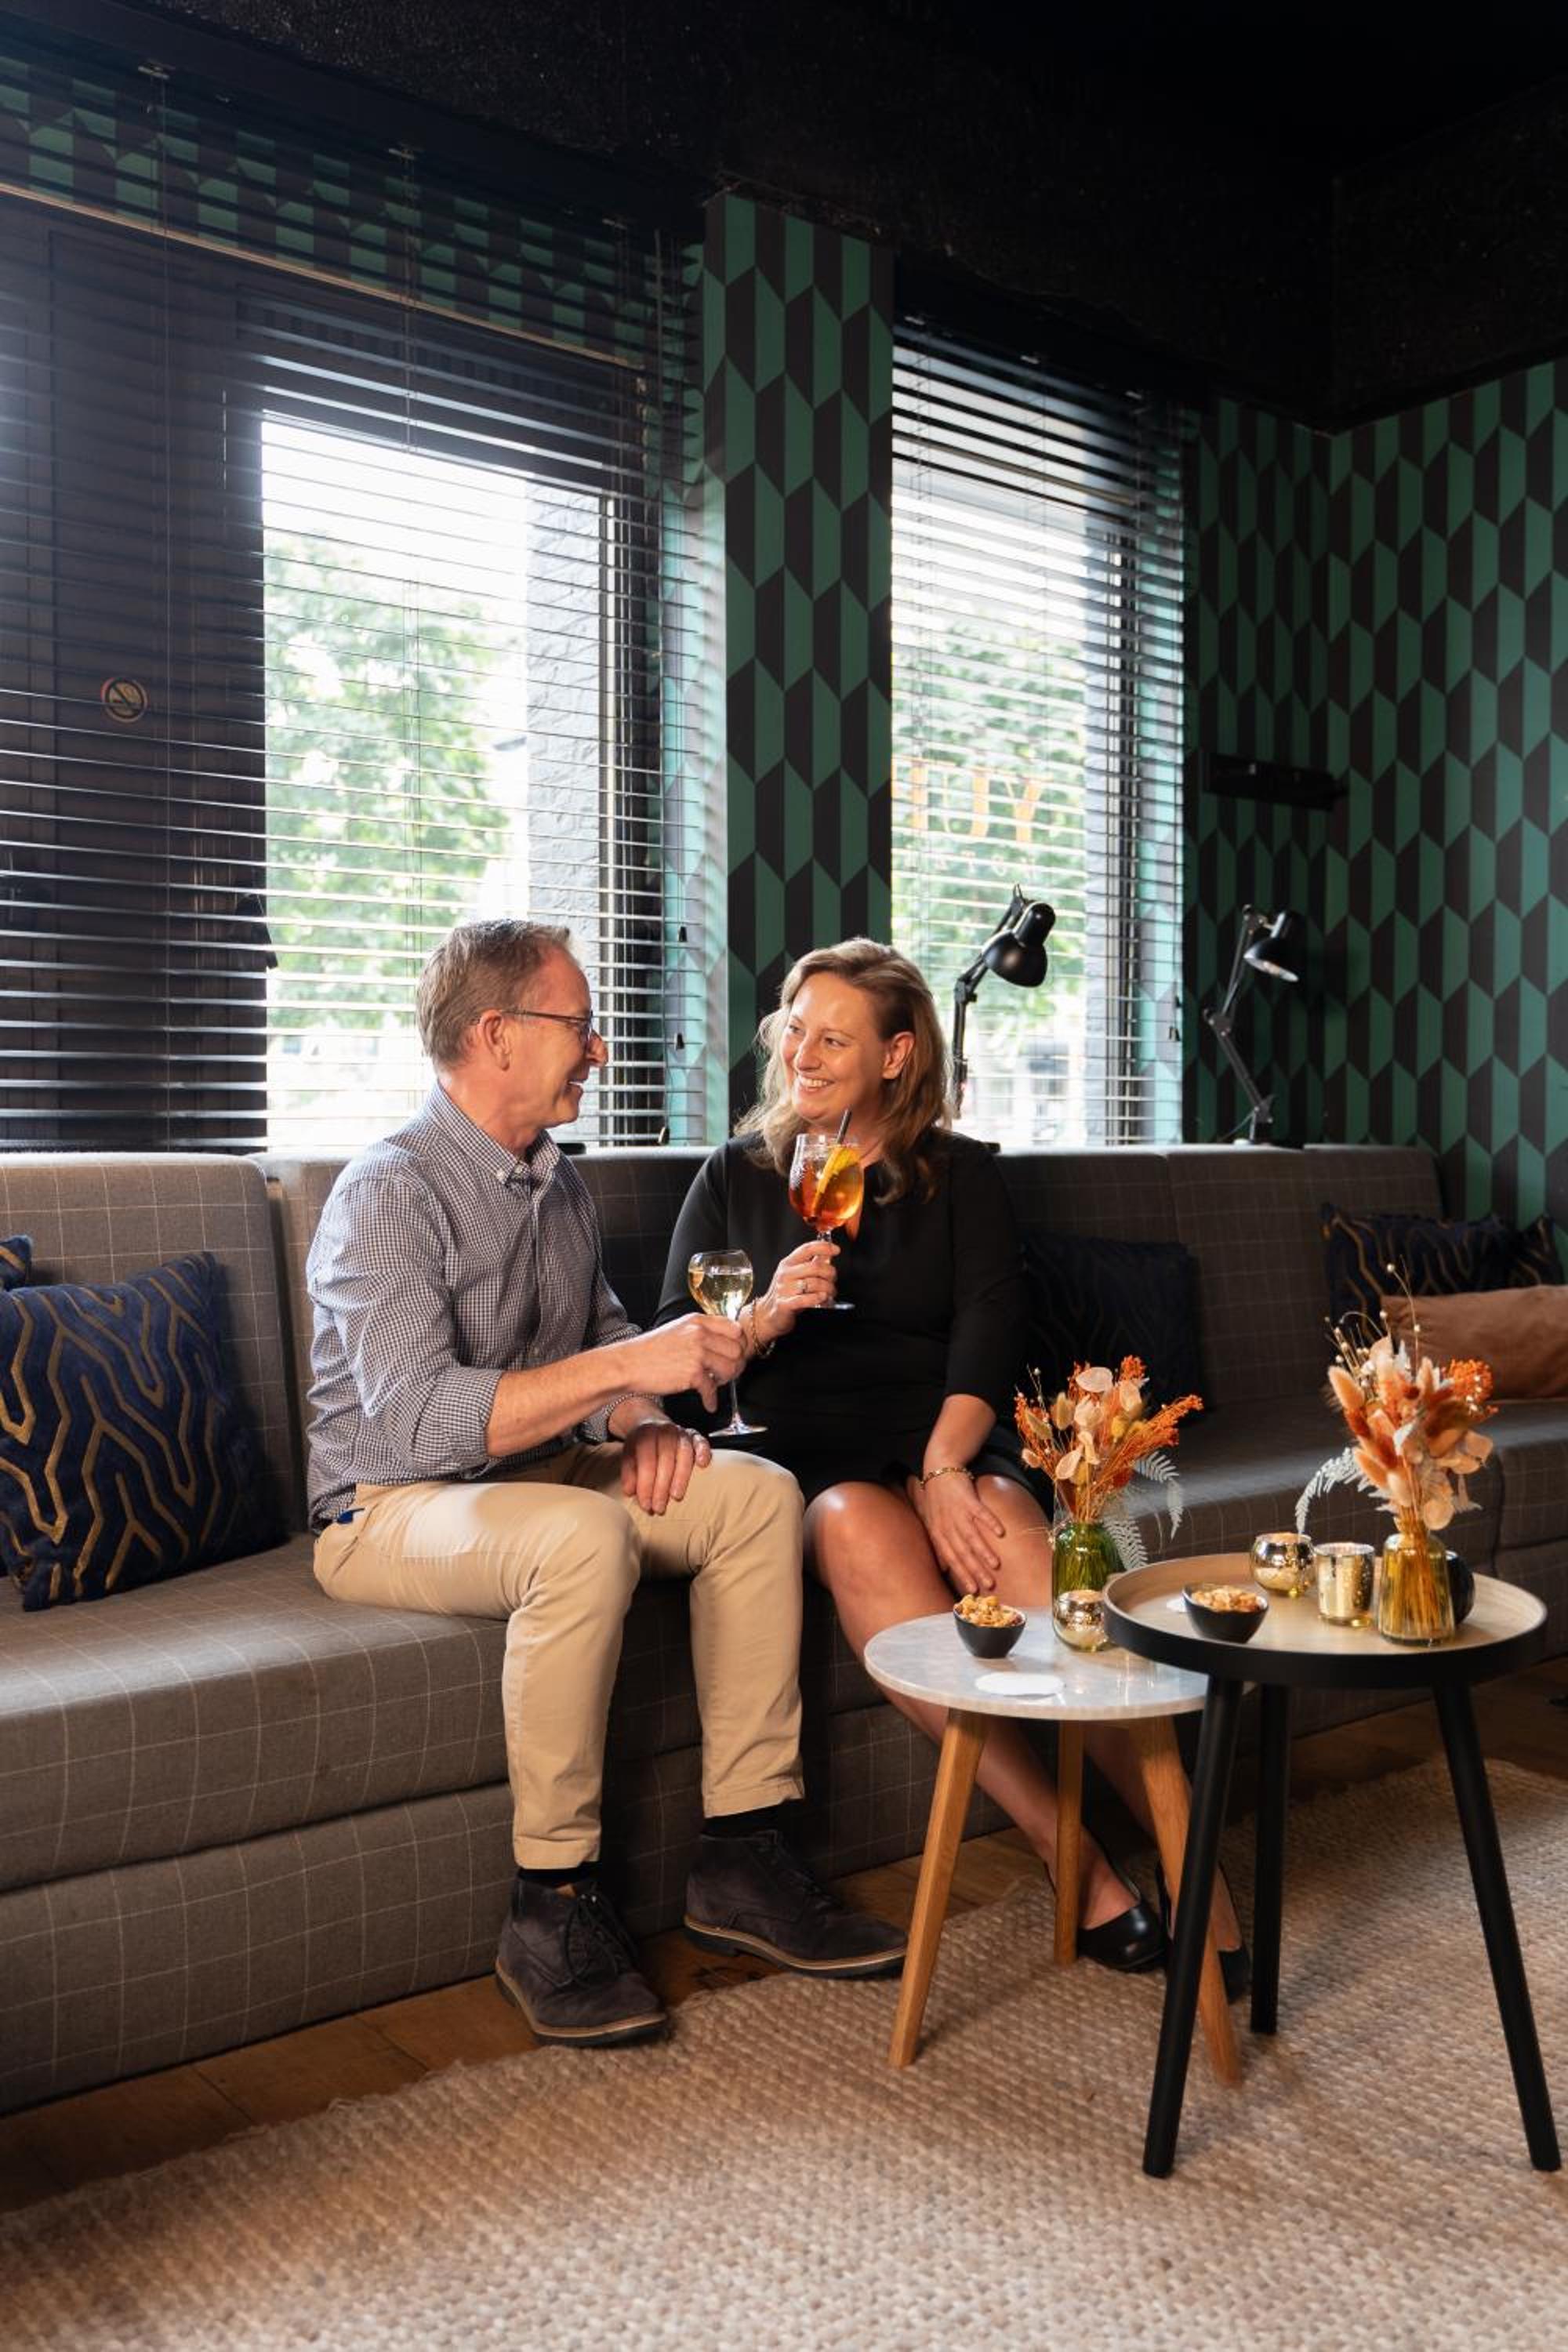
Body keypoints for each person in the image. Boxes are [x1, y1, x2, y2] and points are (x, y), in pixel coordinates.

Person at [306, 918, 906, 2051]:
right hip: (385, 1506)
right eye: (579, 1026)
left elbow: (603, 1344)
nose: (599, 1049)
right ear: (496, 1034)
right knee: (582, 1539)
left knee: (756, 1494)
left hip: (533, 1474)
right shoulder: (387, 1192)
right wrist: (630, 1374)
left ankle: (742, 1855)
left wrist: (643, 1421)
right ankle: (551, 1907)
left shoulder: (556, 1182)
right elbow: (418, 1424)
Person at [658, 938, 1245, 1976]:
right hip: (806, 1450)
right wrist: (765, 1320)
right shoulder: (736, 1175)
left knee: (1022, 1558)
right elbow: (677, 1360)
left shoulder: (963, 1175)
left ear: (895, 1056)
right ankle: (1067, 1851)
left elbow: (986, 1343)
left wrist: (941, 1473)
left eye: (833, 1038)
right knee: (854, 1529)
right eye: (795, 1030)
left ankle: (1190, 1854)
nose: (802, 1054)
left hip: (941, 1433)